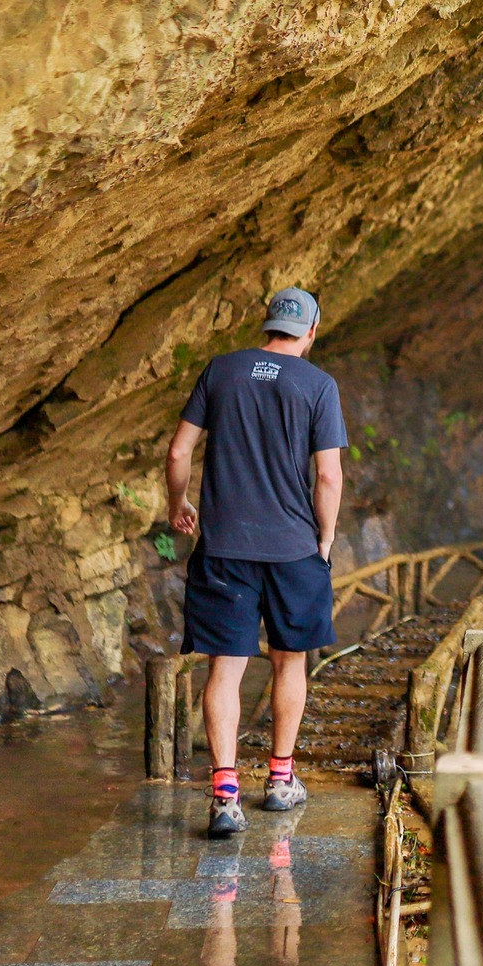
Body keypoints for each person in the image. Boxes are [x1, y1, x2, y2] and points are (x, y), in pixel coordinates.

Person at [164, 287, 348, 837]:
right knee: (291, 660)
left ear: (266, 326)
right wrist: (327, 537)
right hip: (294, 549)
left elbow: (178, 451)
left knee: (227, 665)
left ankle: (224, 796)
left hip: (223, 547)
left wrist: (178, 504)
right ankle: (280, 780)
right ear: (311, 331)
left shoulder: (221, 371)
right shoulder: (318, 386)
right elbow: (330, 475)